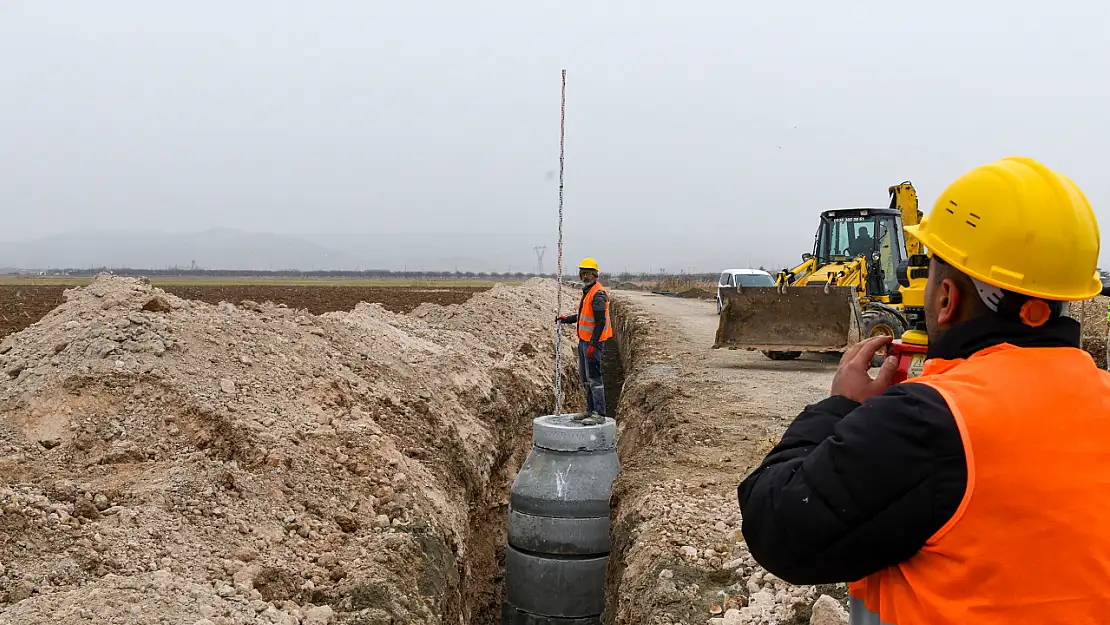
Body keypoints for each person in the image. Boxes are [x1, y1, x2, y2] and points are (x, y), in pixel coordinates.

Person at [736, 156, 1110, 624]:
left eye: (928, 265)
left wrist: (840, 406)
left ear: (947, 297)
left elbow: (777, 524)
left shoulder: (932, 421)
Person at [556, 257, 613, 424]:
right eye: (583, 273)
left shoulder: (598, 294)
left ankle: (599, 414)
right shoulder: (588, 291)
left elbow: (600, 322)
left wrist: (593, 345)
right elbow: (583, 317)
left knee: (594, 378)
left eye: (588, 273)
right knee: (585, 378)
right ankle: (589, 410)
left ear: (595, 275)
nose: (585, 276)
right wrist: (566, 319)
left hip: (592, 343)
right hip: (584, 341)